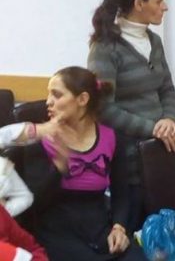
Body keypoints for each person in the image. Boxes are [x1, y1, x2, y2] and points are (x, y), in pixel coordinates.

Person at [11, 67, 145, 260]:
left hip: (97, 227)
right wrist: (58, 168)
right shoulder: (41, 142)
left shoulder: (111, 139)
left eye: (56, 95)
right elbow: (33, 205)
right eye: (49, 95)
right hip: (56, 231)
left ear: (82, 99)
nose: (48, 102)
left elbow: (121, 194)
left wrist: (119, 227)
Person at [87, 0, 175, 233]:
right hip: (127, 162)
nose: (165, 7)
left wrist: (170, 121)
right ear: (139, 4)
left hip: (163, 152)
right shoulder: (106, 47)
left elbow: (166, 89)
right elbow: (102, 109)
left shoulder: (154, 40)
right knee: (132, 233)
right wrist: (154, 129)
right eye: (159, 0)